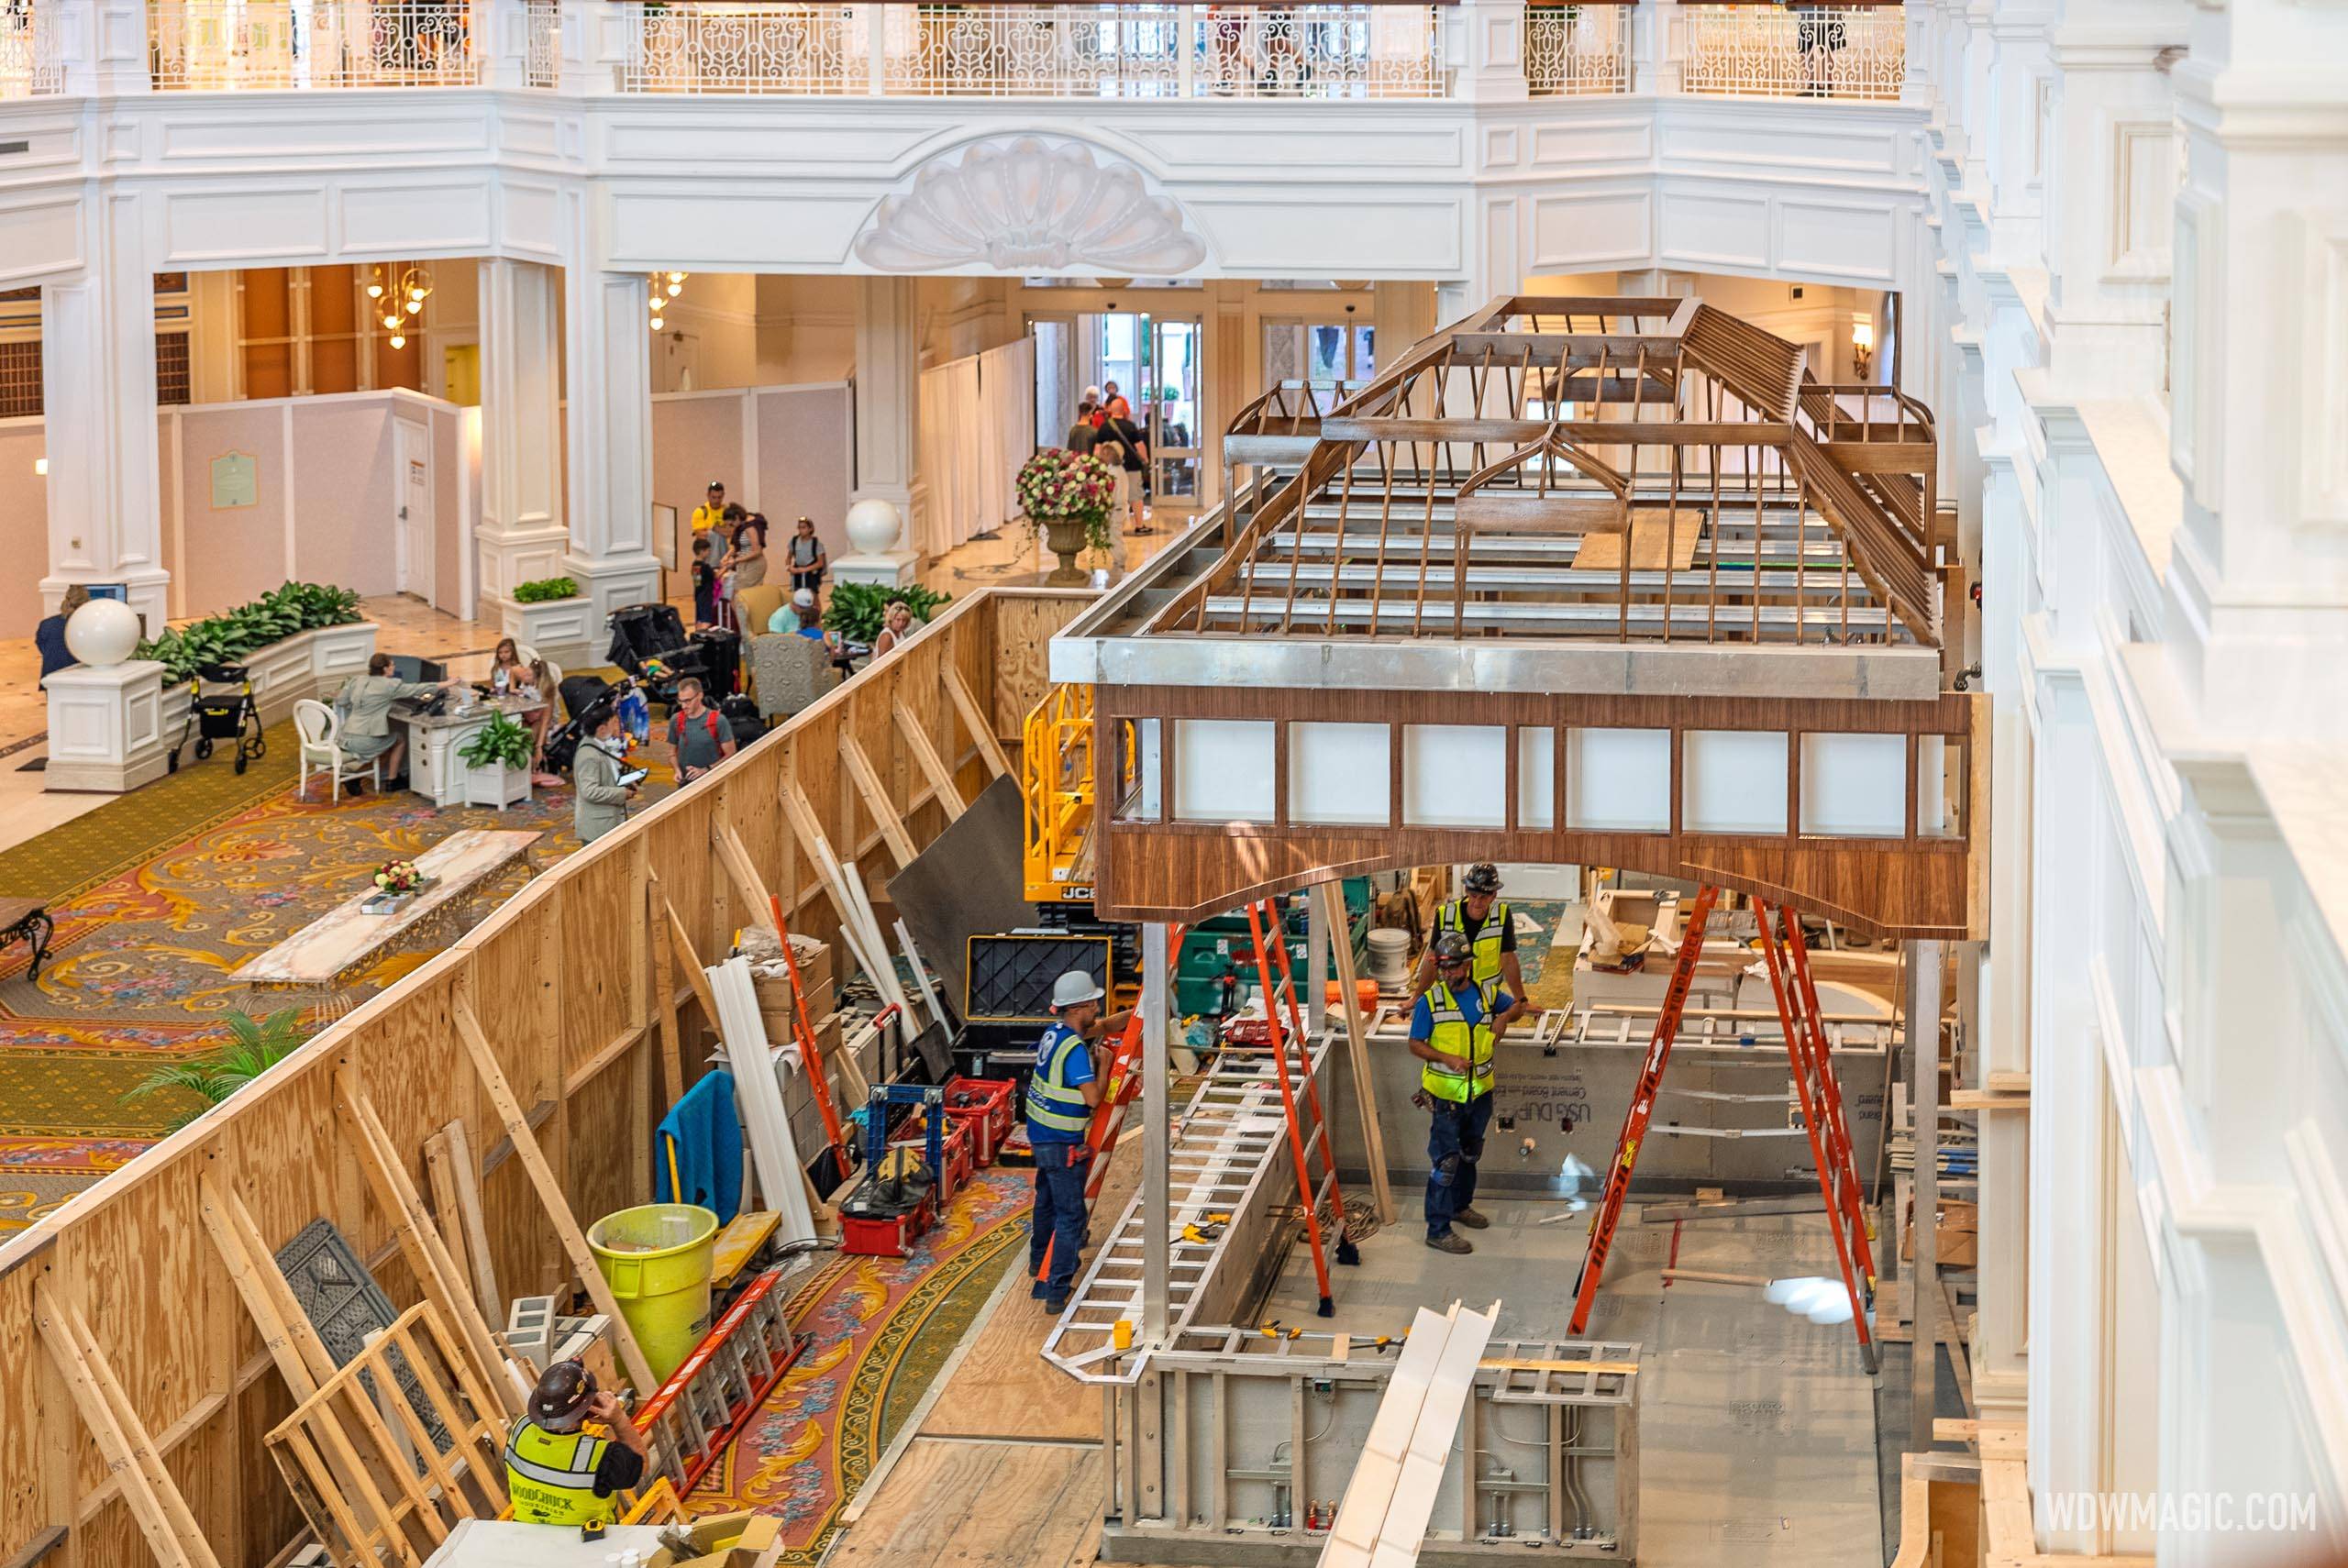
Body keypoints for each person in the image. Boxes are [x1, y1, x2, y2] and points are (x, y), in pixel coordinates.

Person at [1408, 930, 1527, 1254]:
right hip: (1446, 1097)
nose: (1448, 974)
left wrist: (1504, 1017)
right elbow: (1415, 1044)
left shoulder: (1486, 994)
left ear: (1468, 966)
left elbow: (1517, 1006)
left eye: (1454, 968)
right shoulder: (1429, 1002)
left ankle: (1461, 1207)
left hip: (1480, 1094)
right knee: (1445, 1162)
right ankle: (1438, 1228)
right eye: (1444, 968)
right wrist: (1446, 1057)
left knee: (1470, 1153)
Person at [1026, 969, 1132, 1309]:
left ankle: (1037, 1261)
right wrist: (1105, 1065)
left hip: (1041, 1136)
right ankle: (1054, 1291)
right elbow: (1092, 1099)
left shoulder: (1055, 1033)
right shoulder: (1075, 1053)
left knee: (1045, 1201)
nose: (1098, 1008)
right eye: (1094, 1004)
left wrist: (1131, 1017)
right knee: (1071, 1216)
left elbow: (1098, 1028)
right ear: (1078, 1007)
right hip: (1061, 1143)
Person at [502, 1360, 649, 1527]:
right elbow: (641, 1465)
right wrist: (619, 1420)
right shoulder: (599, 1456)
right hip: (586, 1543)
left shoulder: (520, 1429)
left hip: (526, 1537)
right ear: (587, 1407)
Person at [334, 653, 455, 790]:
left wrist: (363, 705)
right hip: (364, 741)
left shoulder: (357, 680)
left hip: (345, 737)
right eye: (392, 665)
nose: (394, 667)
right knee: (399, 739)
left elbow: (342, 701)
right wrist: (447, 683)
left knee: (386, 743)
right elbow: (418, 689)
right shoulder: (390, 685)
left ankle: (356, 775)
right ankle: (393, 780)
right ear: (385, 669)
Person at [1410, 862, 1524, 1002]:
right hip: (1449, 993)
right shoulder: (1446, 914)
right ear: (1466, 890)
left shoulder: (1502, 915)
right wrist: (1416, 997)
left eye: (1484, 897)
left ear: (1494, 895)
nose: (1477, 902)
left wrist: (1521, 1000)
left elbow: (1508, 959)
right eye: (1474, 895)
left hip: (1486, 996)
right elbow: (1432, 957)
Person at [571, 703, 637, 845]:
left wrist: (624, 782)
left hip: (609, 821)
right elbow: (589, 791)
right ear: (602, 729)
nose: (617, 726)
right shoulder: (589, 755)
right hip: (598, 828)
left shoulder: (600, 744)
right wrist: (621, 793)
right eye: (613, 723)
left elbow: (607, 776)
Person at [666, 676, 735, 783]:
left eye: (688, 701)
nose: (684, 706)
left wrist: (707, 770)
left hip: (714, 784)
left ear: (700, 696)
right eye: (681, 701)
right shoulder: (676, 720)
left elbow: (731, 754)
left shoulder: (718, 720)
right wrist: (677, 770)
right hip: (686, 785)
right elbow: (671, 753)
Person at [35, 584, 89, 685]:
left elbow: (42, 647)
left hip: (49, 680)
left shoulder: (46, 624)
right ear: (86, 604)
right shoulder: (88, 627)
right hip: (78, 680)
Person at [722, 509, 769, 592]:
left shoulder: (750, 527)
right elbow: (737, 547)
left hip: (754, 564)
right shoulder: (741, 527)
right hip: (744, 564)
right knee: (739, 593)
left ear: (736, 517)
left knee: (742, 594)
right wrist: (726, 556)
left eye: (731, 524)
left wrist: (736, 560)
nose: (732, 527)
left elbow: (757, 551)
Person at [785, 516, 827, 595]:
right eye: (799, 528)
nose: (801, 530)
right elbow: (789, 557)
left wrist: (804, 569)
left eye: (804, 527)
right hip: (797, 573)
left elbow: (820, 563)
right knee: (797, 597)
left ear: (810, 529)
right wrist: (788, 566)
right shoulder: (794, 541)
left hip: (811, 574)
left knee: (812, 597)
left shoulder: (816, 543)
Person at [692, 534, 718, 626]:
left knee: (699, 619)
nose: (709, 553)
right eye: (708, 551)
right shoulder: (705, 567)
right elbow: (716, 576)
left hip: (698, 595)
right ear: (702, 551)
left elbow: (697, 582)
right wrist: (726, 567)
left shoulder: (695, 565)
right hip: (706, 596)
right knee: (706, 620)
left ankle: (697, 638)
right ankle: (704, 638)